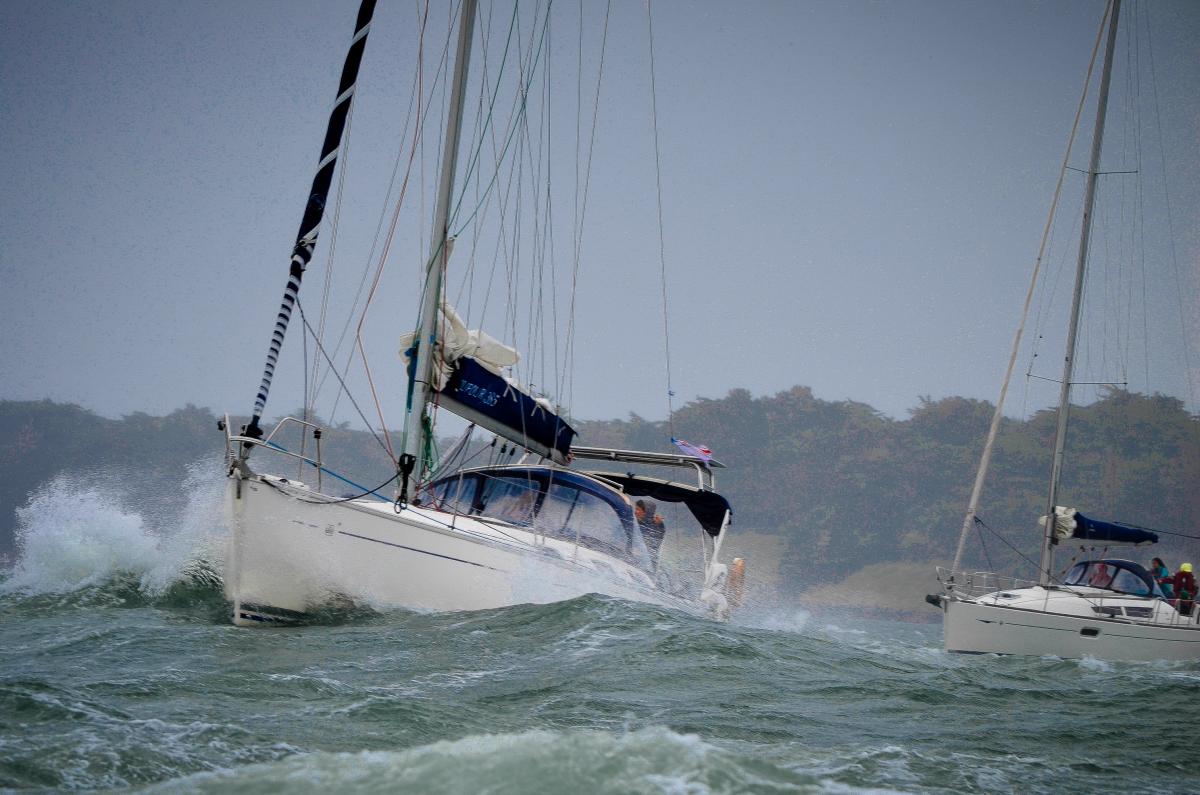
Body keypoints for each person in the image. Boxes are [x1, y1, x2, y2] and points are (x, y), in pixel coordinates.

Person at [634, 499, 666, 570]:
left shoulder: (657, 527)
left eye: (638, 509)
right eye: (635, 509)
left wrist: (660, 524)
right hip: (632, 562)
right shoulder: (635, 523)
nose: (635, 512)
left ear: (646, 512)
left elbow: (654, 544)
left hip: (647, 568)